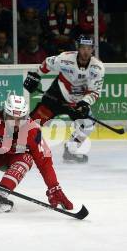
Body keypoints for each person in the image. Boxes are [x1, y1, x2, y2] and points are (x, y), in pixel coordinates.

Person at [23, 35, 105, 163]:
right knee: (35, 121)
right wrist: (36, 75)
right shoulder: (65, 58)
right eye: (83, 48)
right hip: (57, 95)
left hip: (78, 102)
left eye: (88, 48)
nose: (85, 51)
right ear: (78, 47)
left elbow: (95, 91)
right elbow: (48, 63)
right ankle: (21, 146)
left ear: (92, 50)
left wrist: (85, 103)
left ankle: (71, 150)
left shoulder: (98, 68)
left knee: (88, 125)